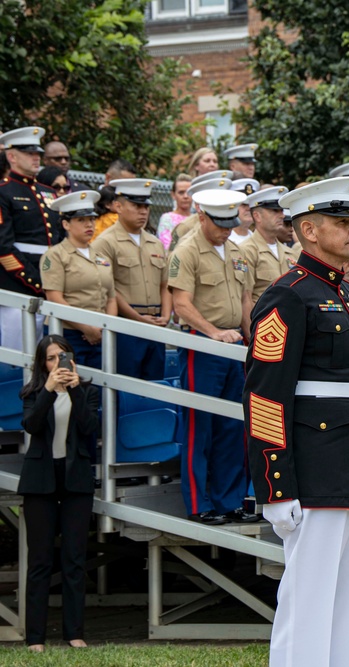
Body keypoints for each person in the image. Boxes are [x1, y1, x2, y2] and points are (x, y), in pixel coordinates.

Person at [243, 176, 349, 667]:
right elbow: (264, 396)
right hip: (315, 464)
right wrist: (276, 485)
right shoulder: (289, 295)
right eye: (342, 224)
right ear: (308, 230)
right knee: (309, 598)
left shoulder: (348, 294)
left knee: (345, 601)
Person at [169, 189, 255, 525]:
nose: (226, 229)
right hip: (203, 346)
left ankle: (229, 500)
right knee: (199, 428)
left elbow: (246, 301)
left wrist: (252, 339)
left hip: (235, 344)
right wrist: (212, 332)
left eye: (230, 223)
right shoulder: (187, 250)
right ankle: (198, 503)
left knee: (233, 426)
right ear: (202, 216)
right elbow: (182, 304)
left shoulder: (235, 249)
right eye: (219, 223)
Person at [18, 335, 98, 653]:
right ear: (42, 363)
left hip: (75, 480)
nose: (58, 364)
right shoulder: (34, 393)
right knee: (39, 561)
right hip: (40, 481)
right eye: (51, 358)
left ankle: (74, 633)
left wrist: (74, 389)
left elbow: (90, 427)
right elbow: (31, 425)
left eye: (63, 357)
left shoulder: (87, 390)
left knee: (74, 559)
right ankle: (35, 637)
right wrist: (50, 390)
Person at [90, 179, 171, 380]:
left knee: (155, 388)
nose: (143, 211)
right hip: (126, 325)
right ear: (118, 206)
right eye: (136, 205)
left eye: (145, 206)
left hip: (155, 323)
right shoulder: (105, 242)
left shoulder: (155, 243)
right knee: (126, 389)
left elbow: (165, 284)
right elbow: (109, 289)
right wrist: (137, 318)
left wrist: (166, 315)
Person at [40, 191, 117, 368]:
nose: (89, 224)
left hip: (100, 333)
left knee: (100, 389)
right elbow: (54, 298)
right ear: (66, 224)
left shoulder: (101, 257)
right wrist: (86, 328)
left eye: (91, 219)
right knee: (67, 380)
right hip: (67, 334)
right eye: (81, 220)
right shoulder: (55, 256)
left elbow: (111, 297)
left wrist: (106, 327)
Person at [0, 126, 61, 347]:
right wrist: (36, 281)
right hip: (17, 283)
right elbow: (4, 247)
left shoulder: (48, 193)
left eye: (37, 153)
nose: (36, 158)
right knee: (17, 356)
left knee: (47, 356)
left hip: (51, 284)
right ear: (12, 156)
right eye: (29, 153)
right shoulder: (3, 192)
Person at [241, 186, 295, 305]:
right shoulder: (246, 250)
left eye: (281, 211)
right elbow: (245, 299)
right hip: (263, 321)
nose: (281, 215)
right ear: (257, 216)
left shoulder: (290, 253)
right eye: (275, 211)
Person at [91, 159, 137, 240]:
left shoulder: (137, 205)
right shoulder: (90, 201)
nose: (127, 190)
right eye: (123, 185)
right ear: (108, 177)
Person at [157, 175, 193, 250]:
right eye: (181, 193)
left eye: (189, 192)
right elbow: (166, 246)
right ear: (173, 195)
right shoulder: (167, 219)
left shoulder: (198, 218)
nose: (186, 196)